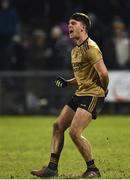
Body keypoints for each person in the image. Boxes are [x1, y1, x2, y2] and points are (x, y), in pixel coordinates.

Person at [31, 12, 109, 178]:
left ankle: (93, 169)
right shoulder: (75, 50)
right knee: (58, 126)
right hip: (81, 92)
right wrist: (67, 82)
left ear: (83, 27)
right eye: (69, 24)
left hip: (93, 94)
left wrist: (104, 89)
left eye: (73, 23)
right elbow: (82, 78)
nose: (69, 26)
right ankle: (52, 169)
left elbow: (103, 73)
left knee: (74, 132)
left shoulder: (91, 48)